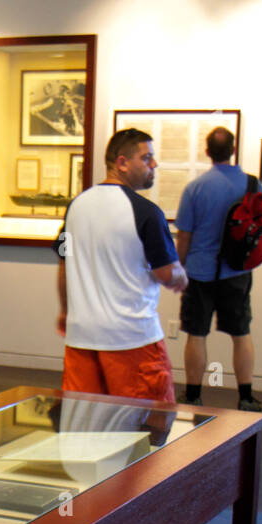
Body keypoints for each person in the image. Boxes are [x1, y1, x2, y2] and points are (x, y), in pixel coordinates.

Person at [55, 127, 187, 404]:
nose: (154, 165)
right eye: (147, 158)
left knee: (85, 425)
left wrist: (66, 311)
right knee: (147, 426)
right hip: (132, 340)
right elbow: (166, 272)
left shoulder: (76, 207)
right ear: (122, 163)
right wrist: (181, 276)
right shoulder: (146, 212)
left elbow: (64, 265)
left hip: (82, 338)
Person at [174, 127, 262, 412]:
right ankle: (246, 396)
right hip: (237, 271)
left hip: (200, 272)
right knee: (241, 332)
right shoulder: (252, 185)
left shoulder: (195, 188)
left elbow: (184, 235)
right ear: (234, 150)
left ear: (207, 151)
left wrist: (179, 267)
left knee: (196, 333)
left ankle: (193, 394)